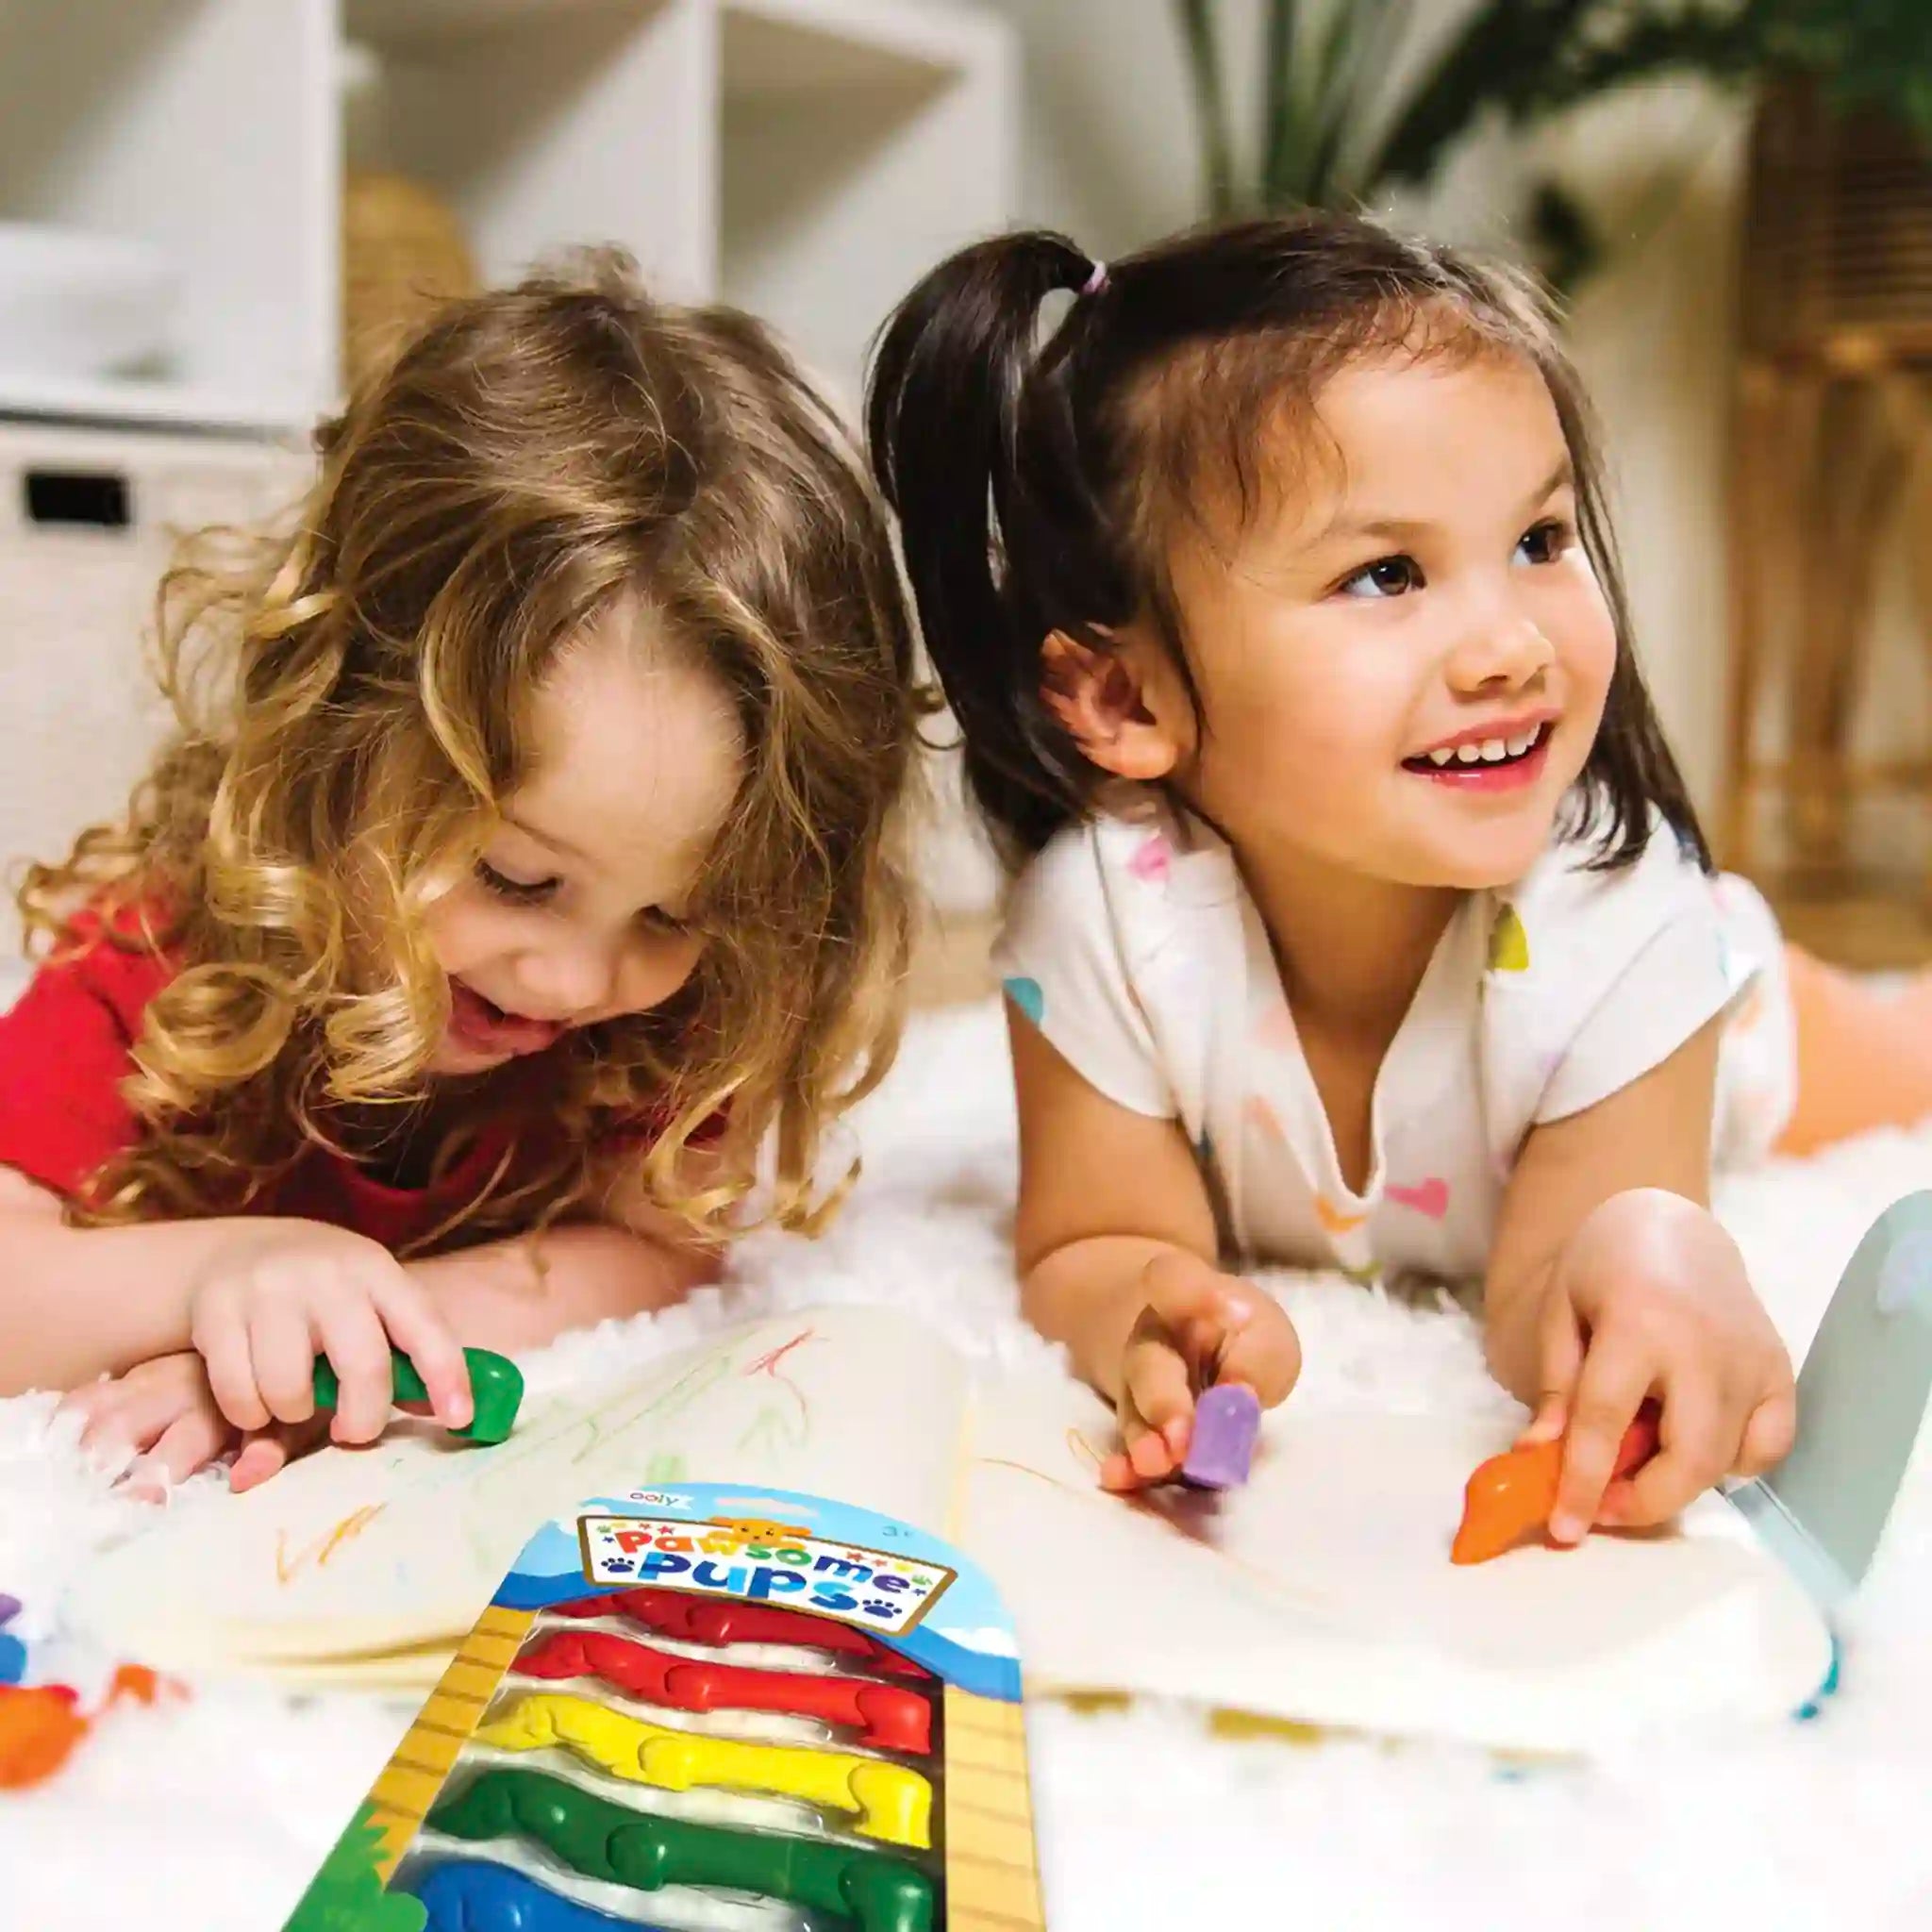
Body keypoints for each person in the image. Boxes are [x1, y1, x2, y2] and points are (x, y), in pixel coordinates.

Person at [867, 211, 1932, 1541]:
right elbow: (1086, 1243)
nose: (1508, 646)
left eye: (1541, 541)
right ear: (1124, 695)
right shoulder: (1103, 925)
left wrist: (1647, 1258)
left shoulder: (1619, 922)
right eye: (1388, 573)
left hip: (1722, 1003)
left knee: (1896, 1046)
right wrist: (1155, 1312)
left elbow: (1545, 1280)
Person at [0, 252, 917, 1495]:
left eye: (673, 912)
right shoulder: (168, 950)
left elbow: (658, 1254)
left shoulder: (673, 1008)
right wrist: (225, 1277)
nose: (580, 975)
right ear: (336, 743)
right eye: (518, 878)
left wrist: (349, 1336)